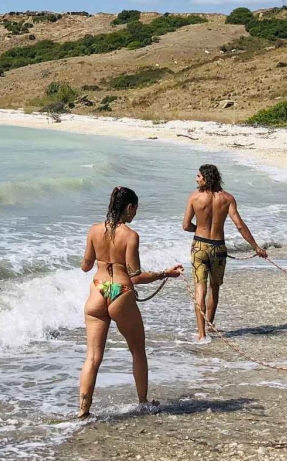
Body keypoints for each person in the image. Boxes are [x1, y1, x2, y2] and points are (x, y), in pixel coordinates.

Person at [78, 186, 183, 419]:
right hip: (121, 292)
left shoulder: (94, 230)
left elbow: (85, 266)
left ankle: (83, 411)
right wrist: (164, 274)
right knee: (137, 351)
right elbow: (135, 275)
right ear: (129, 207)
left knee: (93, 357)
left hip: (98, 290)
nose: (135, 214)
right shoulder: (130, 236)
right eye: (135, 210)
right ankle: (143, 402)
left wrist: (96, 257)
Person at [181, 163, 266, 342]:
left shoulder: (195, 197)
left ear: (206, 178)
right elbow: (240, 225)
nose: (196, 179)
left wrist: (199, 229)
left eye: (198, 176)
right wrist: (256, 247)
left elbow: (186, 225)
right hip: (219, 247)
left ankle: (202, 334)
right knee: (215, 289)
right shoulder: (227, 198)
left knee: (199, 288)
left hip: (199, 246)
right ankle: (210, 326)